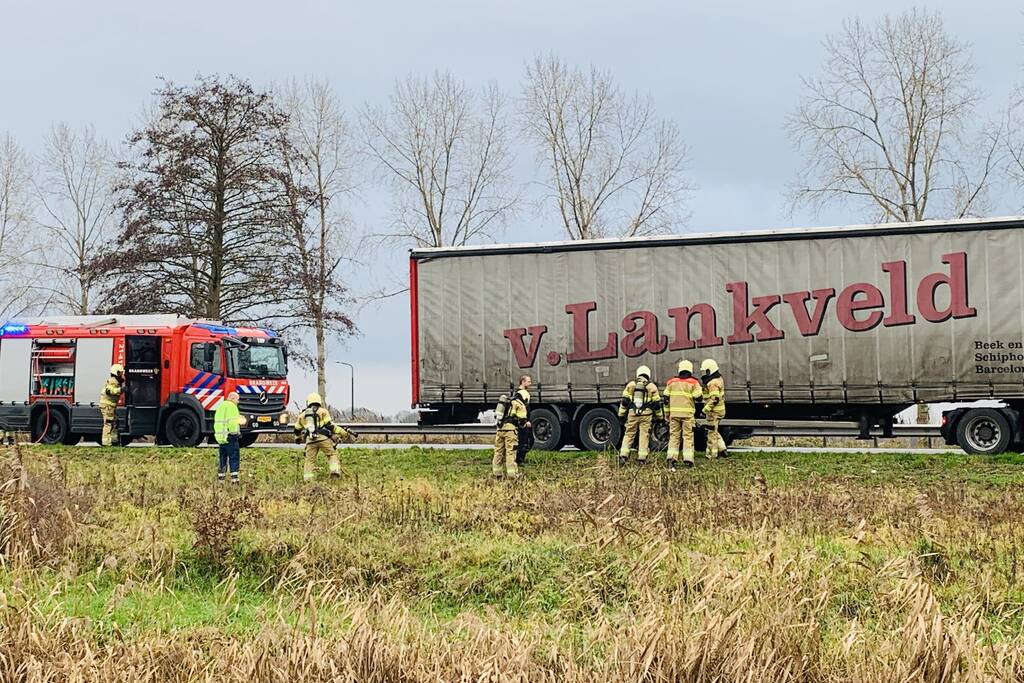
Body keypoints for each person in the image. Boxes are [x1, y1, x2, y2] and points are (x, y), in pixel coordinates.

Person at [293, 393, 350, 481]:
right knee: (331, 454)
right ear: (318, 401)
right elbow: (330, 426)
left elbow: (297, 429)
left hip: (310, 440)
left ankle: (308, 479)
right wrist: (342, 432)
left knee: (309, 461)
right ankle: (334, 471)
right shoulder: (323, 411)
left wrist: (298, 438)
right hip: (323, 438)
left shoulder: (302, 415)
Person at [617, 365, 663, 465]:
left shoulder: (631, 385)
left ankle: (623, 457)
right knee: (644, 435)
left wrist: (621, 415)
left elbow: (624, 401)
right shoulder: (652, 387)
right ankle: (641, 458)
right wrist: (660, 417)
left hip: (632, 414)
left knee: (629, 434)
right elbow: (656, 405)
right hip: (646, 415)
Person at [663, 360, 703, 469]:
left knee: (674, 437)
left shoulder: (671, 382)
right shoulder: (693, 383)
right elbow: (699, 398)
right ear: (690, 370)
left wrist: (667, 413)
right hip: (687, 415)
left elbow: (665, 399)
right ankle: (688, 460)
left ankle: (671, 460)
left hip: (674, 415)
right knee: (688, 437)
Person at [493, 377, 530, 479]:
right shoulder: (520, 404)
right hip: (510, 431)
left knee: (498, 452)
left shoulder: (507, 402)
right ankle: (513, 475)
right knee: (511, 452)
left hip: (500, 429)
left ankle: (497, 474)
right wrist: (526, 424)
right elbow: (522, 420)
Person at [213, 392, 245, 483]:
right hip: (230, 437)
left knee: (222, 458)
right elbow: (232, 423)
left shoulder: (221, 406)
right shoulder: (232, 407)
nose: (238, 402)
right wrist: (236, 433)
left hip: (221, 438)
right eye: (237, 399)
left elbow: (219, 421)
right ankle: (235, 480)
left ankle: (221, 479)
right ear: (232, 398)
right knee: (234, 457)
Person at [700, 358, 728, 458]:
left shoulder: (712, 383)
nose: (704, 373)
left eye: (705, 371)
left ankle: (713, 454)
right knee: (714, 430)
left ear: (709, 370)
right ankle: (723, 449)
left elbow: (714, 399)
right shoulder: (719, 379)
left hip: (713, 412)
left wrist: (705, 410)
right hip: (720, 410)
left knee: (711, 433)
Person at [99, 364, 125, 447]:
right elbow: (109, 391)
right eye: (120, 373)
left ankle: (114, 440)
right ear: (116, 373)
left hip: (110, 406)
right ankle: (106, 443)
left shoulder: (116, 381)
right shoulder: (112, 381)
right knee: (108, 423)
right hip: (108, 406)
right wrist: (120, 389)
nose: (121, 375)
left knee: (115, 422)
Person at [513, 375, 533, 466]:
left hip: (524, 421)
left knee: (526, 440)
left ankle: (519, 459)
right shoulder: (520, 394)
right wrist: (525, 421)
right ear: (523, 382)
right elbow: (521, 409)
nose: (530, 383)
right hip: (522, 422)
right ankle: (519, 460)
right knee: (523, 441)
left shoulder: (523, 393)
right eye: (528, 382)